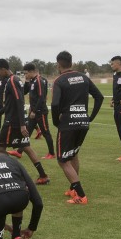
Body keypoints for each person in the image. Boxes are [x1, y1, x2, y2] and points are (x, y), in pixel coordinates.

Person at [51, 51, 104, 204]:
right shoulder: (84, 77)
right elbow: (99, 97)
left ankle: (80, 195)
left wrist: (56, 122)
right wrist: (90, 117)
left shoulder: (59, 80)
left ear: (58, 65)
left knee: (62, 160)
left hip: (68, 124)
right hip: (83, 122)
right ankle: (73, 189)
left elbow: (54, 104)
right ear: (72, 63)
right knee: (73, 154)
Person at [0, 59, 50, 184]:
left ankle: (1, 178)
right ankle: (43, 175)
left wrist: (21, 125)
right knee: (26, 147)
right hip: (17, 120)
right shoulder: (14, 80)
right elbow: (11, 104)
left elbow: (19, 102)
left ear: (3, 69)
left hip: (12, 122)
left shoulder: (12, 81)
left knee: (0, 149)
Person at [15, 63, 55, 160]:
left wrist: (34, 111)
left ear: (31, 72)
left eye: (26, 73)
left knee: (46, 133)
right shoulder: (32, 81)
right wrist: (27, 82)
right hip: (33, 112)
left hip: (40, 112)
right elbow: (24, 92)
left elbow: (42, 97)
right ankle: (19, 152)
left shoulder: (39, 81)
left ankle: (52, 153)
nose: (25, 75)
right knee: (27, 131)